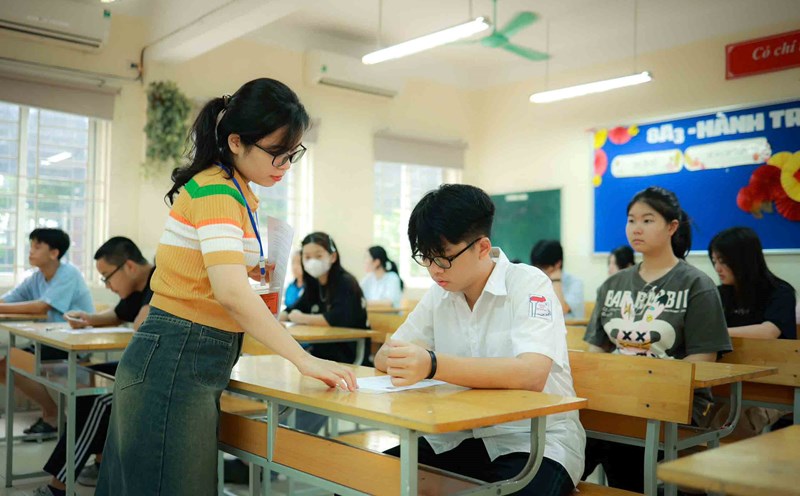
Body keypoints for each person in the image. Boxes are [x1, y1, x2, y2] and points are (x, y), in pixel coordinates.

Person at [96, 78, 356, 496]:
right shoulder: (218, 190)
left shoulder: (236, 190)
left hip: (186, 355)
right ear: (236, 142)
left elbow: (213, 275)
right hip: (176, 355)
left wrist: (247, 271)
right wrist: (302, 360)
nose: (285, 166)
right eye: (277, 153)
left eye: (293, 155)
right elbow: (230, 294)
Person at [375, 184, 585, 496]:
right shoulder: (440, 293)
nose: (433, 270)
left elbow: (531, 374)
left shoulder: (529, 284)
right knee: (365, 478)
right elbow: (384, 357)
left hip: (534, 442)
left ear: (482, 248)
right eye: (425, 257)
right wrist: (411, 361)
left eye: (443, 258)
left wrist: (432, 364)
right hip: (460, 436)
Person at [582, 186, 732, 492]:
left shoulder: (696, 284)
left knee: (614, 448)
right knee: (568, 440)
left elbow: (703, 360)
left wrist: (643, 391)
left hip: (673, 402)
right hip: (616, 398)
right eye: (631, 220)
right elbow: (594, 350)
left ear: (671, 227)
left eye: (647, 220)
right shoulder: (613, 284)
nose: (636, 228)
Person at [34, 237, 155, 496]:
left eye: (107, 277)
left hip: (161, 373)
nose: (107, 286)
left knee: (99, 399)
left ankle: (59, 487)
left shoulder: (160, 281)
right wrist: (87, 319)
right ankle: (99, 463)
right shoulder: (136, 288)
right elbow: (116, 315)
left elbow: (140, 325)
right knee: (88, 382)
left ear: (130, 267)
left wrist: (146, 305)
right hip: (141, 366)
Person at [0, 228, 93, 439]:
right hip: (51, 341)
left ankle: (52, 416)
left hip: (75, 345)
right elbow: (9, 299)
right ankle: (52, 413)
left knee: (11, 362)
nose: (30, 251)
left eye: (37, 246)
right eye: (31, 245)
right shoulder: (36, 278)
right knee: (4, 367)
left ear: (54, 252)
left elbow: (41, 307)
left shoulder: (68, 273)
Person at [282, 231, 369, 365]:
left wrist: (302, 318)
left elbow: (335, 318)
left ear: (333, 256)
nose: (312, 261)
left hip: (349, 351)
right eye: (307, 257)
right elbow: (295, 307)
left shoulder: (346, 282)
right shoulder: (313, 283)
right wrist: (278, 318)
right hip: (322, 351)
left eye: (318, 255)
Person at [709, 226, 796, 339]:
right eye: (714, 261)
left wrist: (713, 333)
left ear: (744, 260)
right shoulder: (718, 293)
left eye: (723, 261)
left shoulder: (780, 291)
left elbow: (768, 333)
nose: (717, 268)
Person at [530, 240, 584, 319]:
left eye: (544, 267)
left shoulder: (575, 283)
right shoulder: (536, 280)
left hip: (569, 329)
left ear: (558, 264)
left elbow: (561, 310)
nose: (540, 272)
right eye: (537, 267)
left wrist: (556, 281)